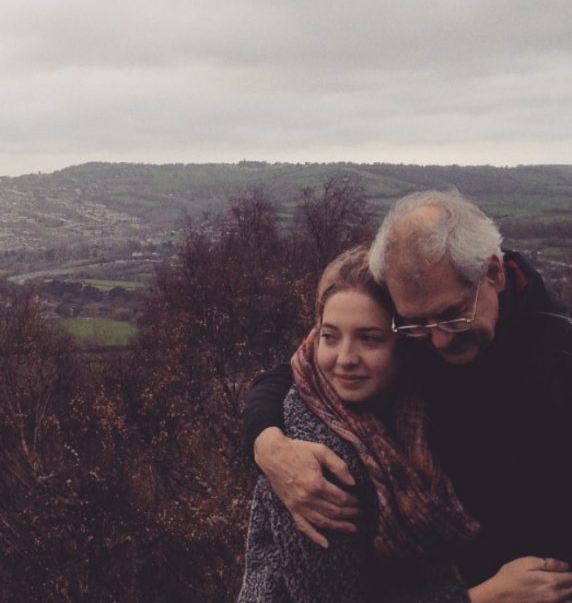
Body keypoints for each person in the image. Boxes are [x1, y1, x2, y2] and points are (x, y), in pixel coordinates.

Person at [243, 190, 572, 586]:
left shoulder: (557, 360)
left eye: (452, 316)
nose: (438, 342)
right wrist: (269, 447)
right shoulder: (406, 335)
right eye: (416, 323)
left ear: (494, 273)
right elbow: (294, 374)